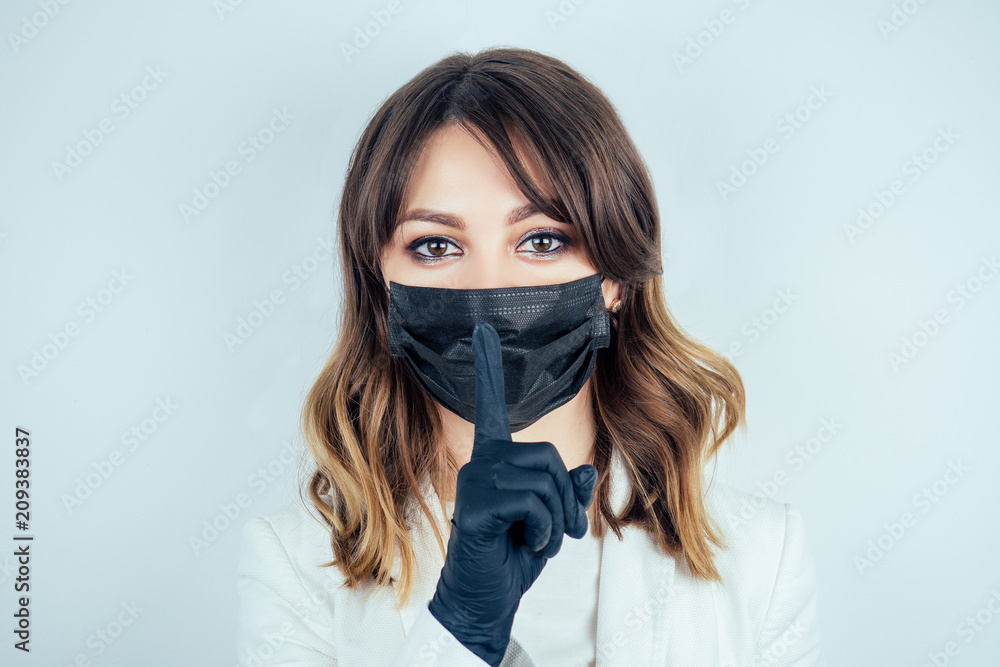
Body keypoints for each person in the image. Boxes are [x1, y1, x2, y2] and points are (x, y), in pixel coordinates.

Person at [236, 46, 825, 667]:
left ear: (616, 279)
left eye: (541, 240)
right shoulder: (295, 566)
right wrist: (461, 627)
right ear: (379, 287)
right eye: (435, 245)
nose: (488, 290)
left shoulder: (762, 560)